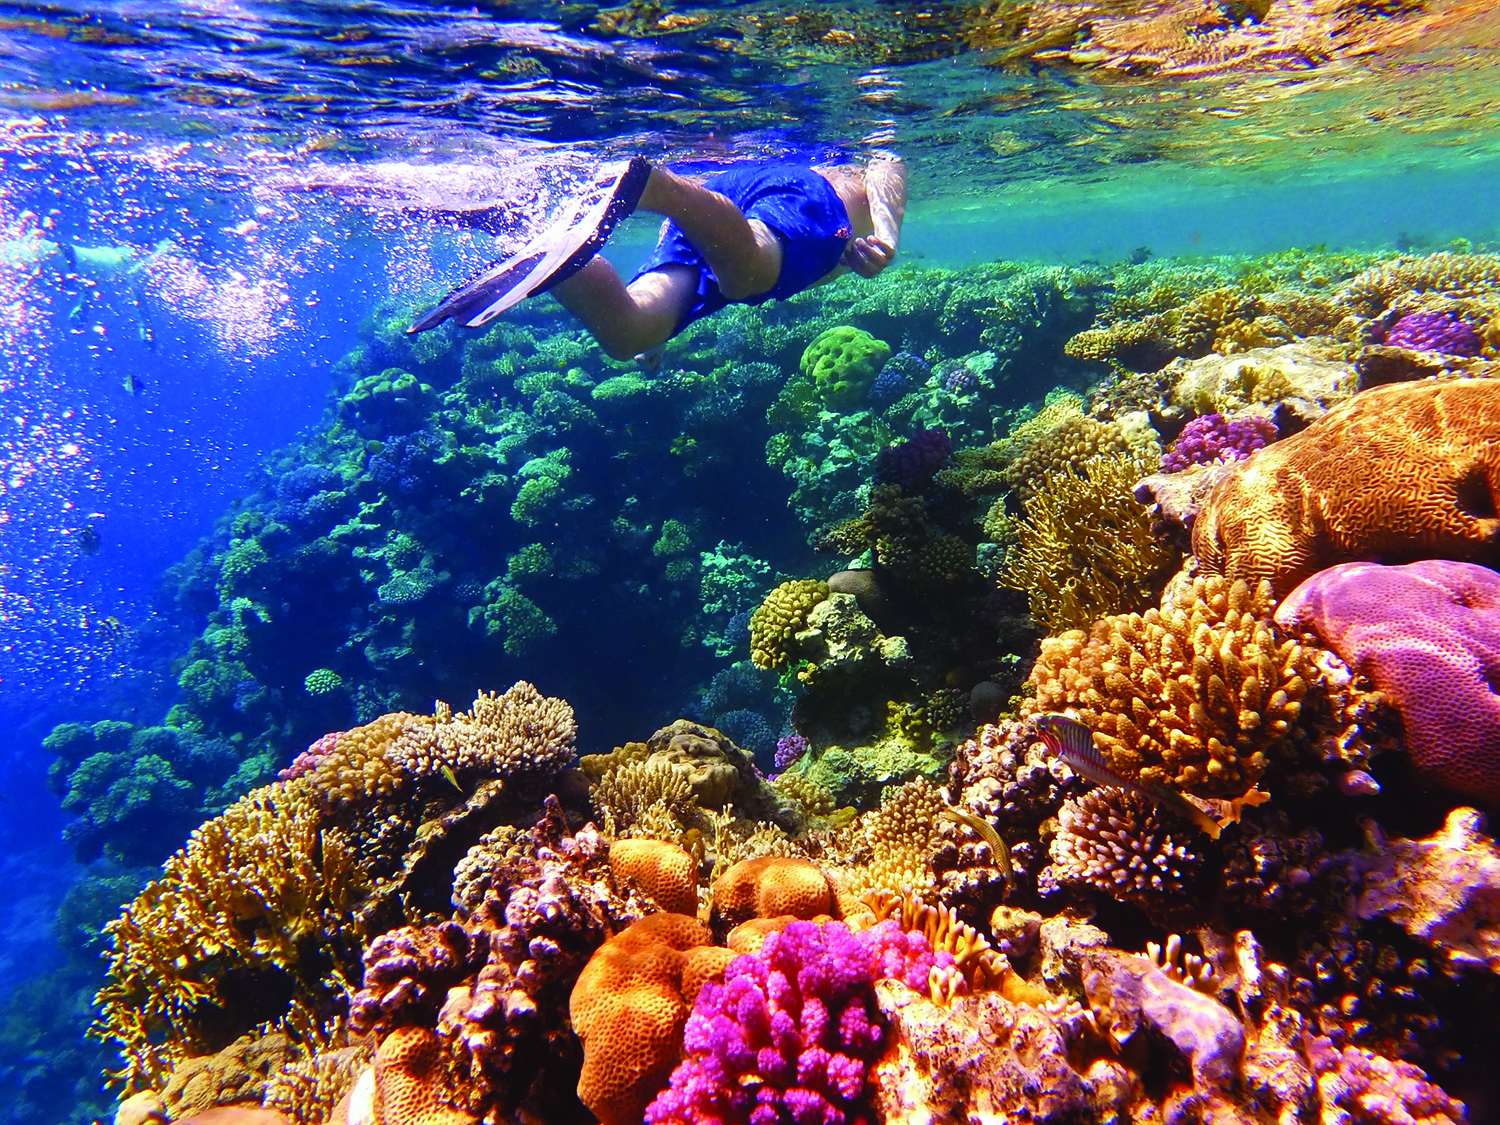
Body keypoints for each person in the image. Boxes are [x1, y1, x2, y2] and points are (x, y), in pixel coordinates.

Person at [408, 154, 908, 364]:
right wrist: (886, 234)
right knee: (748, 278)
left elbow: (802, 271)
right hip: (780, 200)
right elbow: (888, 165)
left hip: (714, 212)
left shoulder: (826, 255)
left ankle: (533, 236)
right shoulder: (846, 178)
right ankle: (658, 187)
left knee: (630, 333)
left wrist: (670, 333)